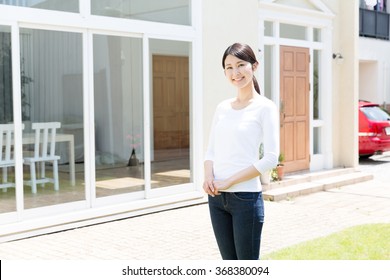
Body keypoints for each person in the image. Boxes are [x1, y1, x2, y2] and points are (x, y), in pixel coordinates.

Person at [203, 43, 279, 260]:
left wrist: (229, 182)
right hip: (217, 198)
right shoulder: (222, 107)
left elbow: (271, 158)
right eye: (228, 67)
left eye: (240, 65)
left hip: (245, 198)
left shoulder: (265, 107)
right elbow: (210, 151)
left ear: (254, 66)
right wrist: (209, 177)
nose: (235, 73)